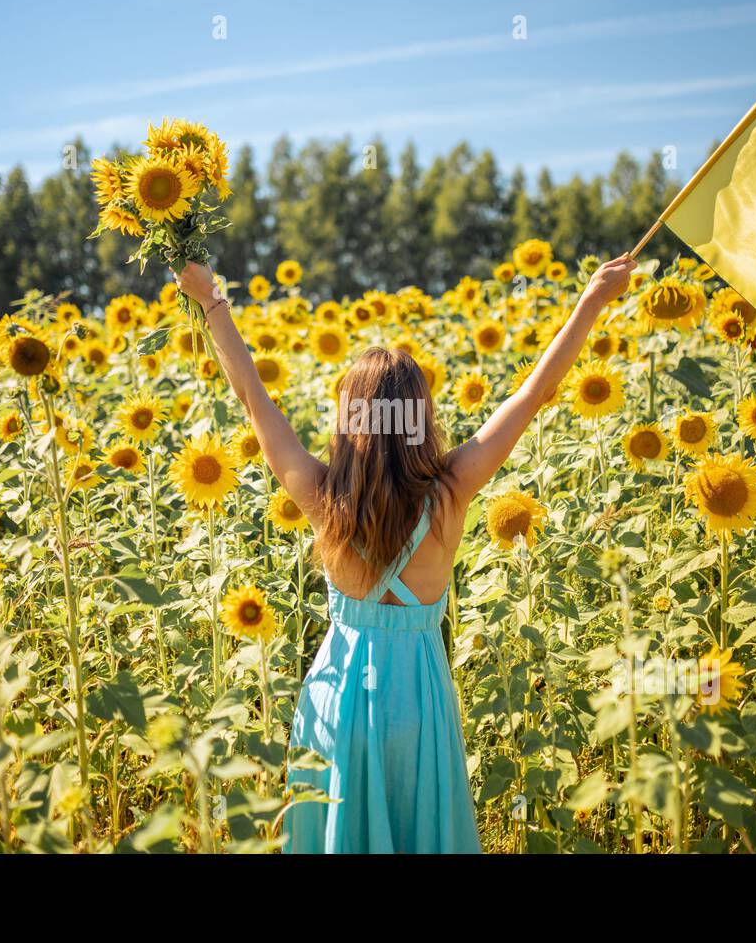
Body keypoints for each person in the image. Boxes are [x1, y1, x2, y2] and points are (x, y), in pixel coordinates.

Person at [175, 254, 636, 852]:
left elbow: (251, 398)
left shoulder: (321, 496)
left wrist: (211, 300)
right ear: (420, 416)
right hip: (418, 700)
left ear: (350, 419)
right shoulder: (452, 490)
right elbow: (535, 394)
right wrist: (593, 299)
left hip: (337, 699)